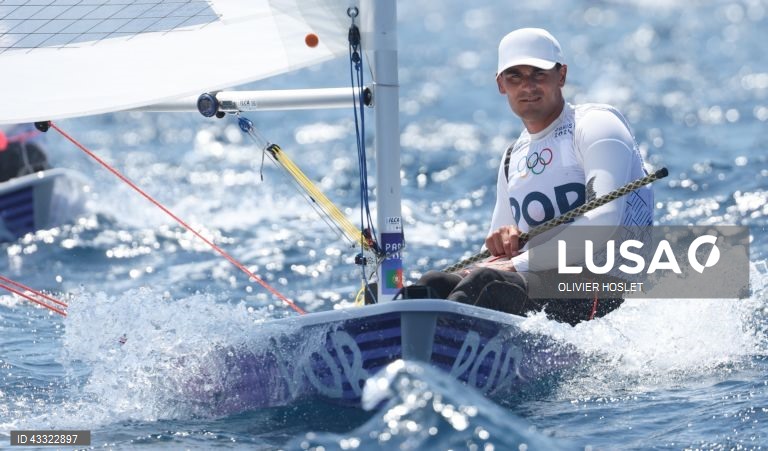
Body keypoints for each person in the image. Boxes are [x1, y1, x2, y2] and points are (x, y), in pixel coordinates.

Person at [412, 28, 654, 325]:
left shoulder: (595, 125)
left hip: (605, 285)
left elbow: (601, 224)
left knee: (487, 283)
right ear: (501, 84)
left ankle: (435, 355)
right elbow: (497, 252)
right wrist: (497, 251)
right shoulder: (513, 157)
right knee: (432, 284)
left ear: (561, 76)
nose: (527, 86)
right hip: (540, 281)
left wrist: (515, 264)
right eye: (515, 76)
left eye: (538, 74)